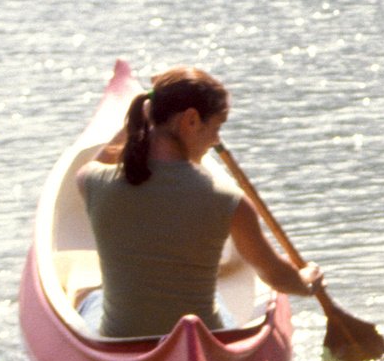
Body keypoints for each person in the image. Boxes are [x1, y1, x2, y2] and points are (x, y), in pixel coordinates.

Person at [77, 67, 320, 339]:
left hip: (122, 336)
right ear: (191, 120)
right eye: (216, 128)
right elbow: (275, 276)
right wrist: (307, 281)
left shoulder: (92, 181)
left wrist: (142, 119)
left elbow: (101, 160)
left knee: (87, 296)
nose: (216, 140)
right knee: (220, 297)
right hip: (205, 335)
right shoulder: (227, 199)